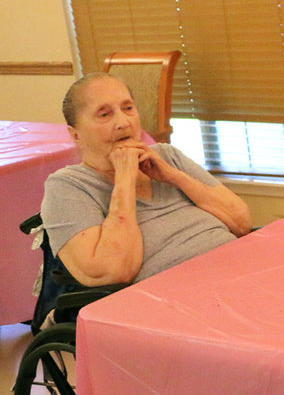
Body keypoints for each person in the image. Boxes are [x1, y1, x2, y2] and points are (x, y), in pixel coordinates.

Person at [42, 73, 252, 286]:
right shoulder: (67, 186)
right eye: (104, 115)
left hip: (239, 268)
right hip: (181, 294)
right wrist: (124, 178)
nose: (123, 122)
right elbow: (113, 271)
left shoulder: (166, 155)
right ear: (75, 135)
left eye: (128, 108)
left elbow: (241, 222)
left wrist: (174, 176)